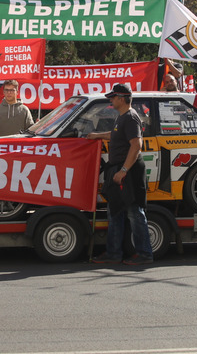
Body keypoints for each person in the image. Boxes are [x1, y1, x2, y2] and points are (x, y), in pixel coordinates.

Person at [88, 84, 154, 265]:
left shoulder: (131, 117)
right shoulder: (122, 117)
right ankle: (113, 253)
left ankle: (145, 254)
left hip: (128, 172)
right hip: (119, 169)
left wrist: (123, 171)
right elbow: (116, 135)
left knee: (135, 213)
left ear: (122, 98)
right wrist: (96, 136)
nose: (110, 100)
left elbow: (136, 145)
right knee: (115, 212)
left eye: (113, 97)